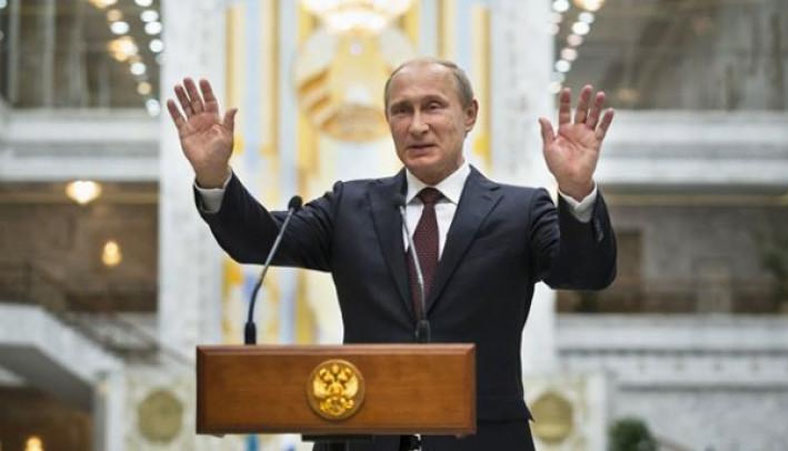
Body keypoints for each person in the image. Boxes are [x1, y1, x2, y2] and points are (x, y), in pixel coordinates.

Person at [167, 58, 617, 451]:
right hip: (360, 437)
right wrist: (214, 175)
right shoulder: (350, 206)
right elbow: (258, 241)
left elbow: (585, 274)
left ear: (469, 114)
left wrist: (576, 191)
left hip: (482, 439)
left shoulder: (521, 210)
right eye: (402, 110)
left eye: (433, 106)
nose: (416, 125)